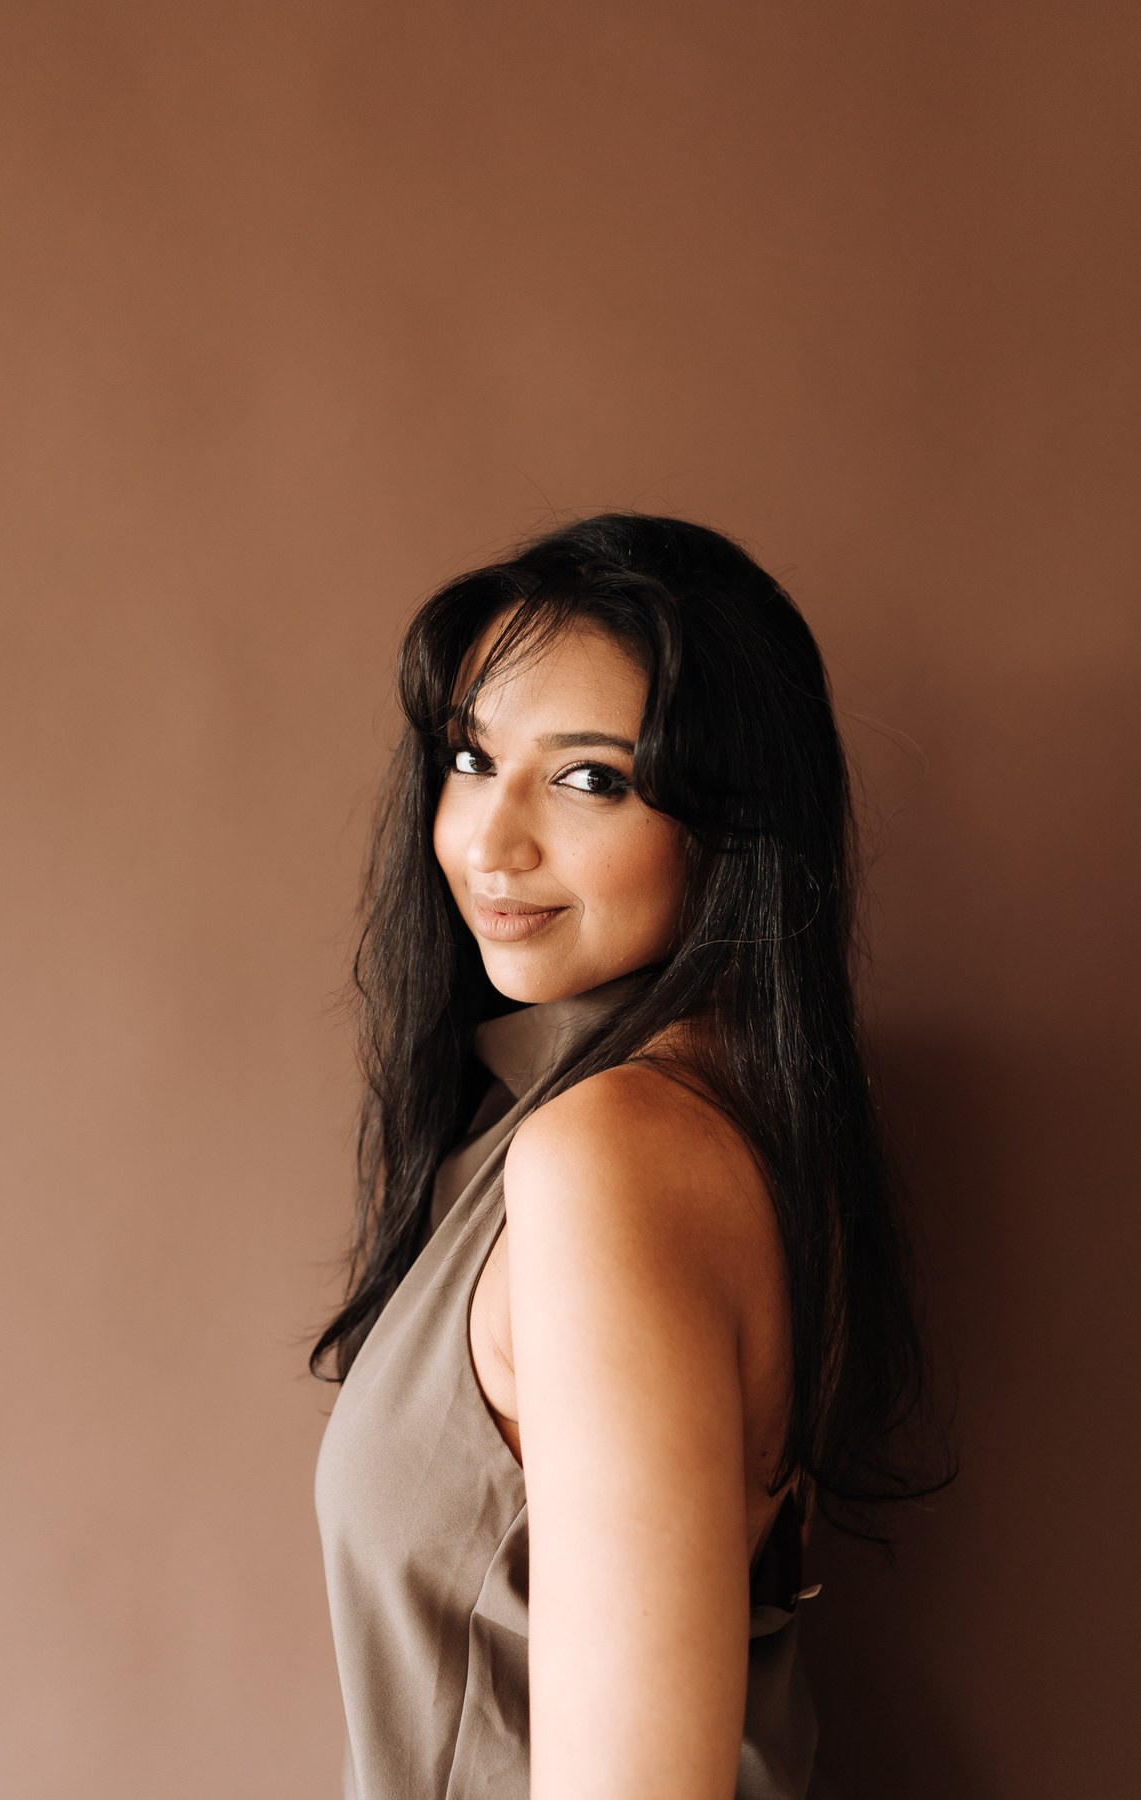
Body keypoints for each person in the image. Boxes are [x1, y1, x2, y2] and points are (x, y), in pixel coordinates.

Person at [313, 513, 938, 1800]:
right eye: (472, 758)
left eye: (590, 778)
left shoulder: (613, 1156)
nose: (490, 841)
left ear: (734, 823)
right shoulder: (694, 1119)